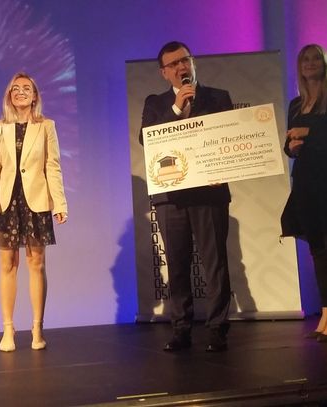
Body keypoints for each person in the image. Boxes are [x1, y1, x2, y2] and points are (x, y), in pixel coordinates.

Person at [139, 41, 232, 352]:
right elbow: (147, 139)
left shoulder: (218, 97)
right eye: (173, 64)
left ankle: (217, 327)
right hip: (172, 196)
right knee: (177, 265)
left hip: (210, 192)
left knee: (214, 263)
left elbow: (227, 138)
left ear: (193, 62)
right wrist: (177, 108)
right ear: (164, 73)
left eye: (185, 60)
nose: (181, 66)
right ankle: (181, 328)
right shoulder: (156, 104)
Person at [0, 72, 68, 352]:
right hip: (6, 202)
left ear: (34, 96)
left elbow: (52, 166)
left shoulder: (46, 126)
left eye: (26, 88)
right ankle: (8, 329)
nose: (21, 91)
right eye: (15, 88)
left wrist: (60, 203)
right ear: (9, 95)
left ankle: (37, 328)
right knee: (7, 264)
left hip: (36, 201)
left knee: (36, 263)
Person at [281, 44, 327, 342]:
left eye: (315, 59)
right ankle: (326, 313)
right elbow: (288, 146)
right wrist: (292, 147)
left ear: (324, 64)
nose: (310, 63)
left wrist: (307, 134)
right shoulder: (295, 105)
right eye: (305, 59)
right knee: (318, 251)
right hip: (305, 183)